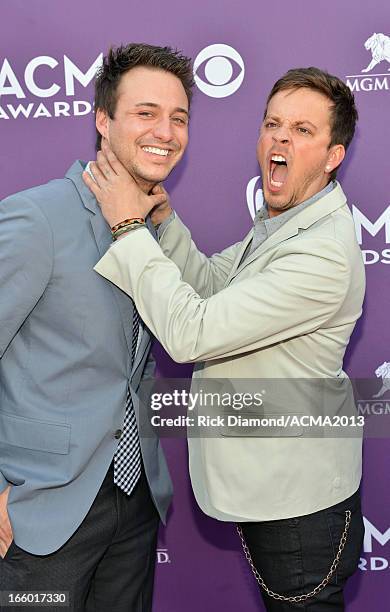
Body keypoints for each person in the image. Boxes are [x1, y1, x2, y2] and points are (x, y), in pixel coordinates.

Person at [87, 67, 365, 611]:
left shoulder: (321, 252)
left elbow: (193, 332)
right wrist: (163, 223)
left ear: (334, 156)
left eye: (302, 130)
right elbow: (214, 288)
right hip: (272, 492)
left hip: (299, 512)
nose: (280, 139)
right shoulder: (284, 221)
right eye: (273, 124)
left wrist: (127, 228)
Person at [0, 43, 193, 611]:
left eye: (178, 117)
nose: (166, 130)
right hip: (41, 514)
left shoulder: (150, 229)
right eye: (146, 113)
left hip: (134, 503)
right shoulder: (37, 218)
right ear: (103, 121)